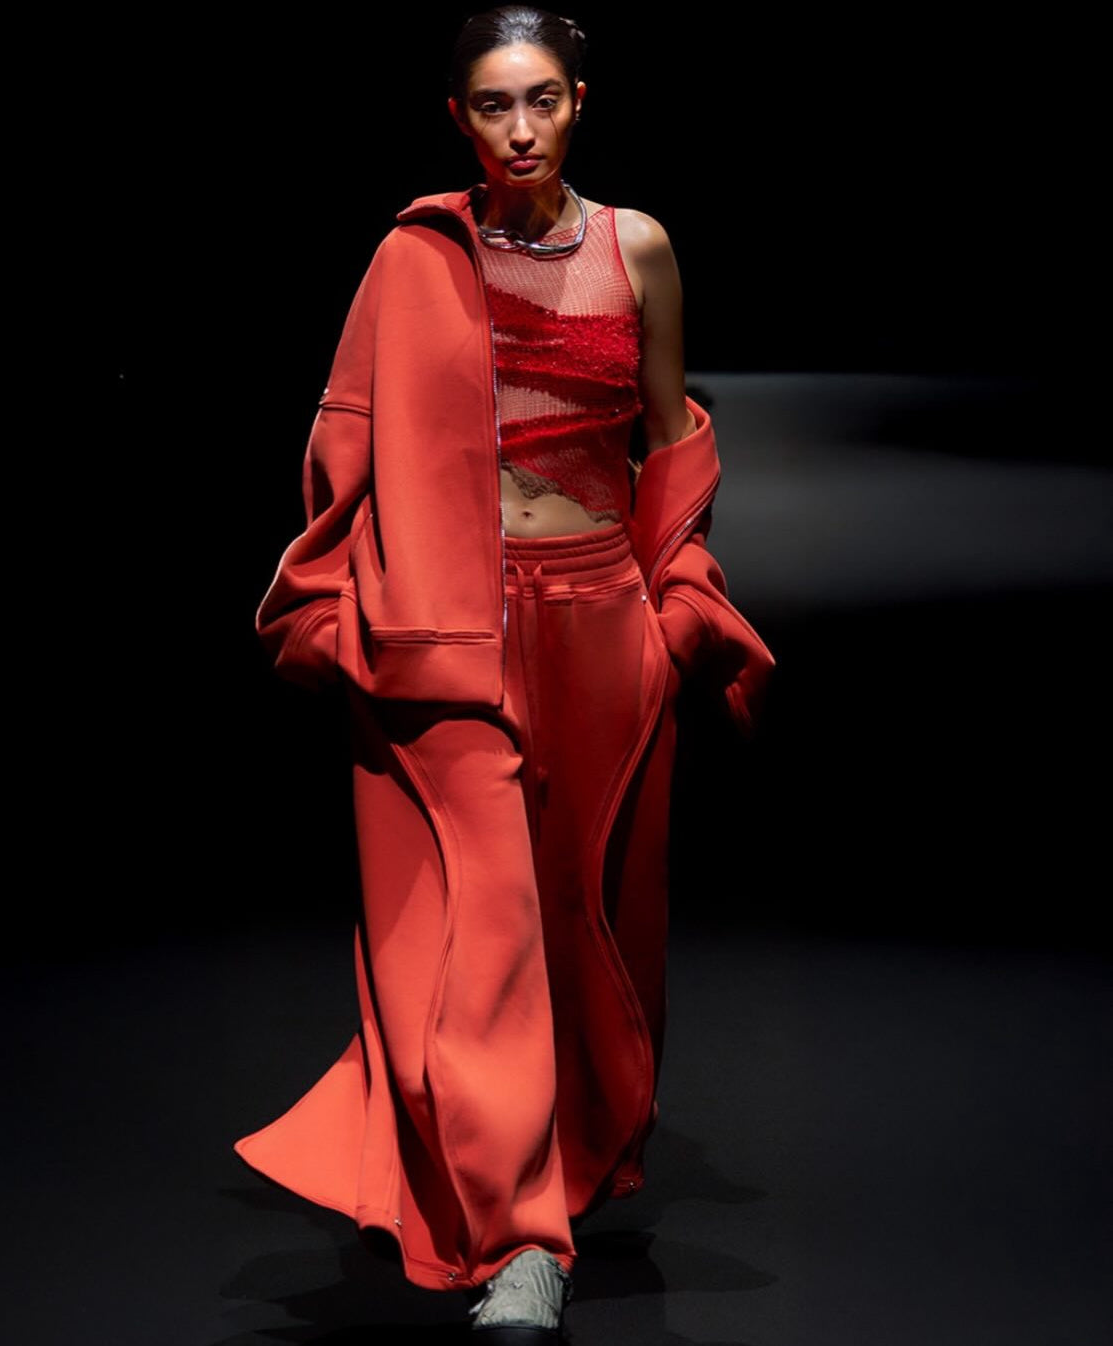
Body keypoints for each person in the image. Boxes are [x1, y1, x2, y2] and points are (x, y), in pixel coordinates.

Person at [233, 7, 775, 1340]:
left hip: (600, 624)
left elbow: (669, 445)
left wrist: (676, 607)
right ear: (457, 118)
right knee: (479, 932)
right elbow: (348, 446)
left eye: (542, 99)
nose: (520, 128)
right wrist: (347, 610)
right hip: (448, 628)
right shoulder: (418, 258)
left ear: (580, 102)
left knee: (584, 927)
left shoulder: (635, 248)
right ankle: (524, 1239)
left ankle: (568, 1163)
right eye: (492, 104)